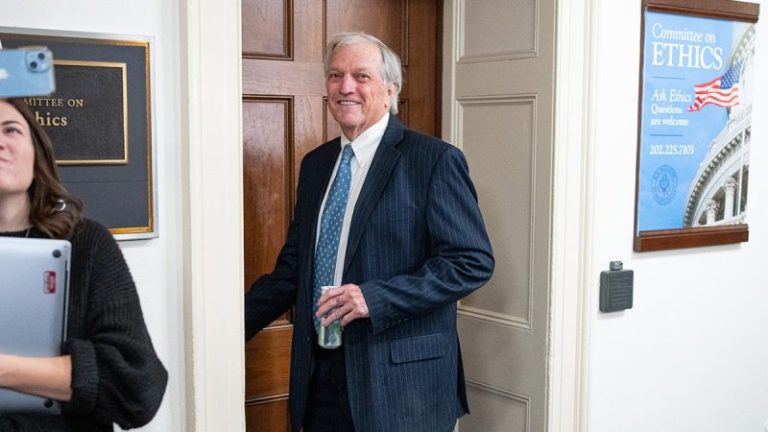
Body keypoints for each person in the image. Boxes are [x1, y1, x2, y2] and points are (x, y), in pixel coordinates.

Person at [244, 32, 494, 432]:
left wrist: (373, 299)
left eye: (361, 76)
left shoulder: (433, 160)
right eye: (335, 75)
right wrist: (223, 329)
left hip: (401, 388)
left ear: (390, 90)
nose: (346, 87)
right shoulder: (316, 165)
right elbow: (293, 271)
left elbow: (471, 263)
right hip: (320, 378)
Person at [0, 97, 168, 431]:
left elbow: (137, 388)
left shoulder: (87, 244)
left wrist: (6, 370)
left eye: (11, 130)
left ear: (37, 153)